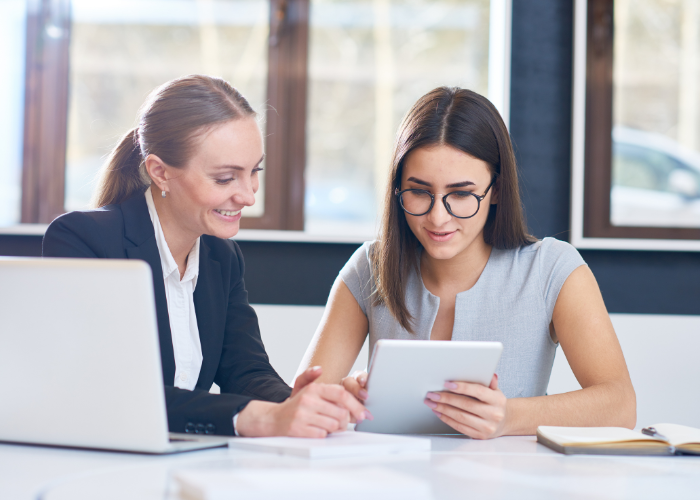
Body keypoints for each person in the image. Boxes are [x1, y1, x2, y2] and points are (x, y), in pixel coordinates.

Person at [297, 87, 636, 439]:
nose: (438, 217)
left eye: (460, 194)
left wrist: (509, 416)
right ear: (398, 188)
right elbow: (302, 399)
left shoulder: (551, 269)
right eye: (419, 191)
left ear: (497, 191)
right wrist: (340, 400)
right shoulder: (371, 266)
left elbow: (620, 405)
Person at [43, 75, 367, 438]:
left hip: (182, 463)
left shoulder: (220, 256)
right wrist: (255, 418)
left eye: (254, 172)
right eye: (226, 178)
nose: (248, 196)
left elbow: (246, 372)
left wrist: (300, 403)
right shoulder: (84, 241)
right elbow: (111, 392)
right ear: (160, 172)